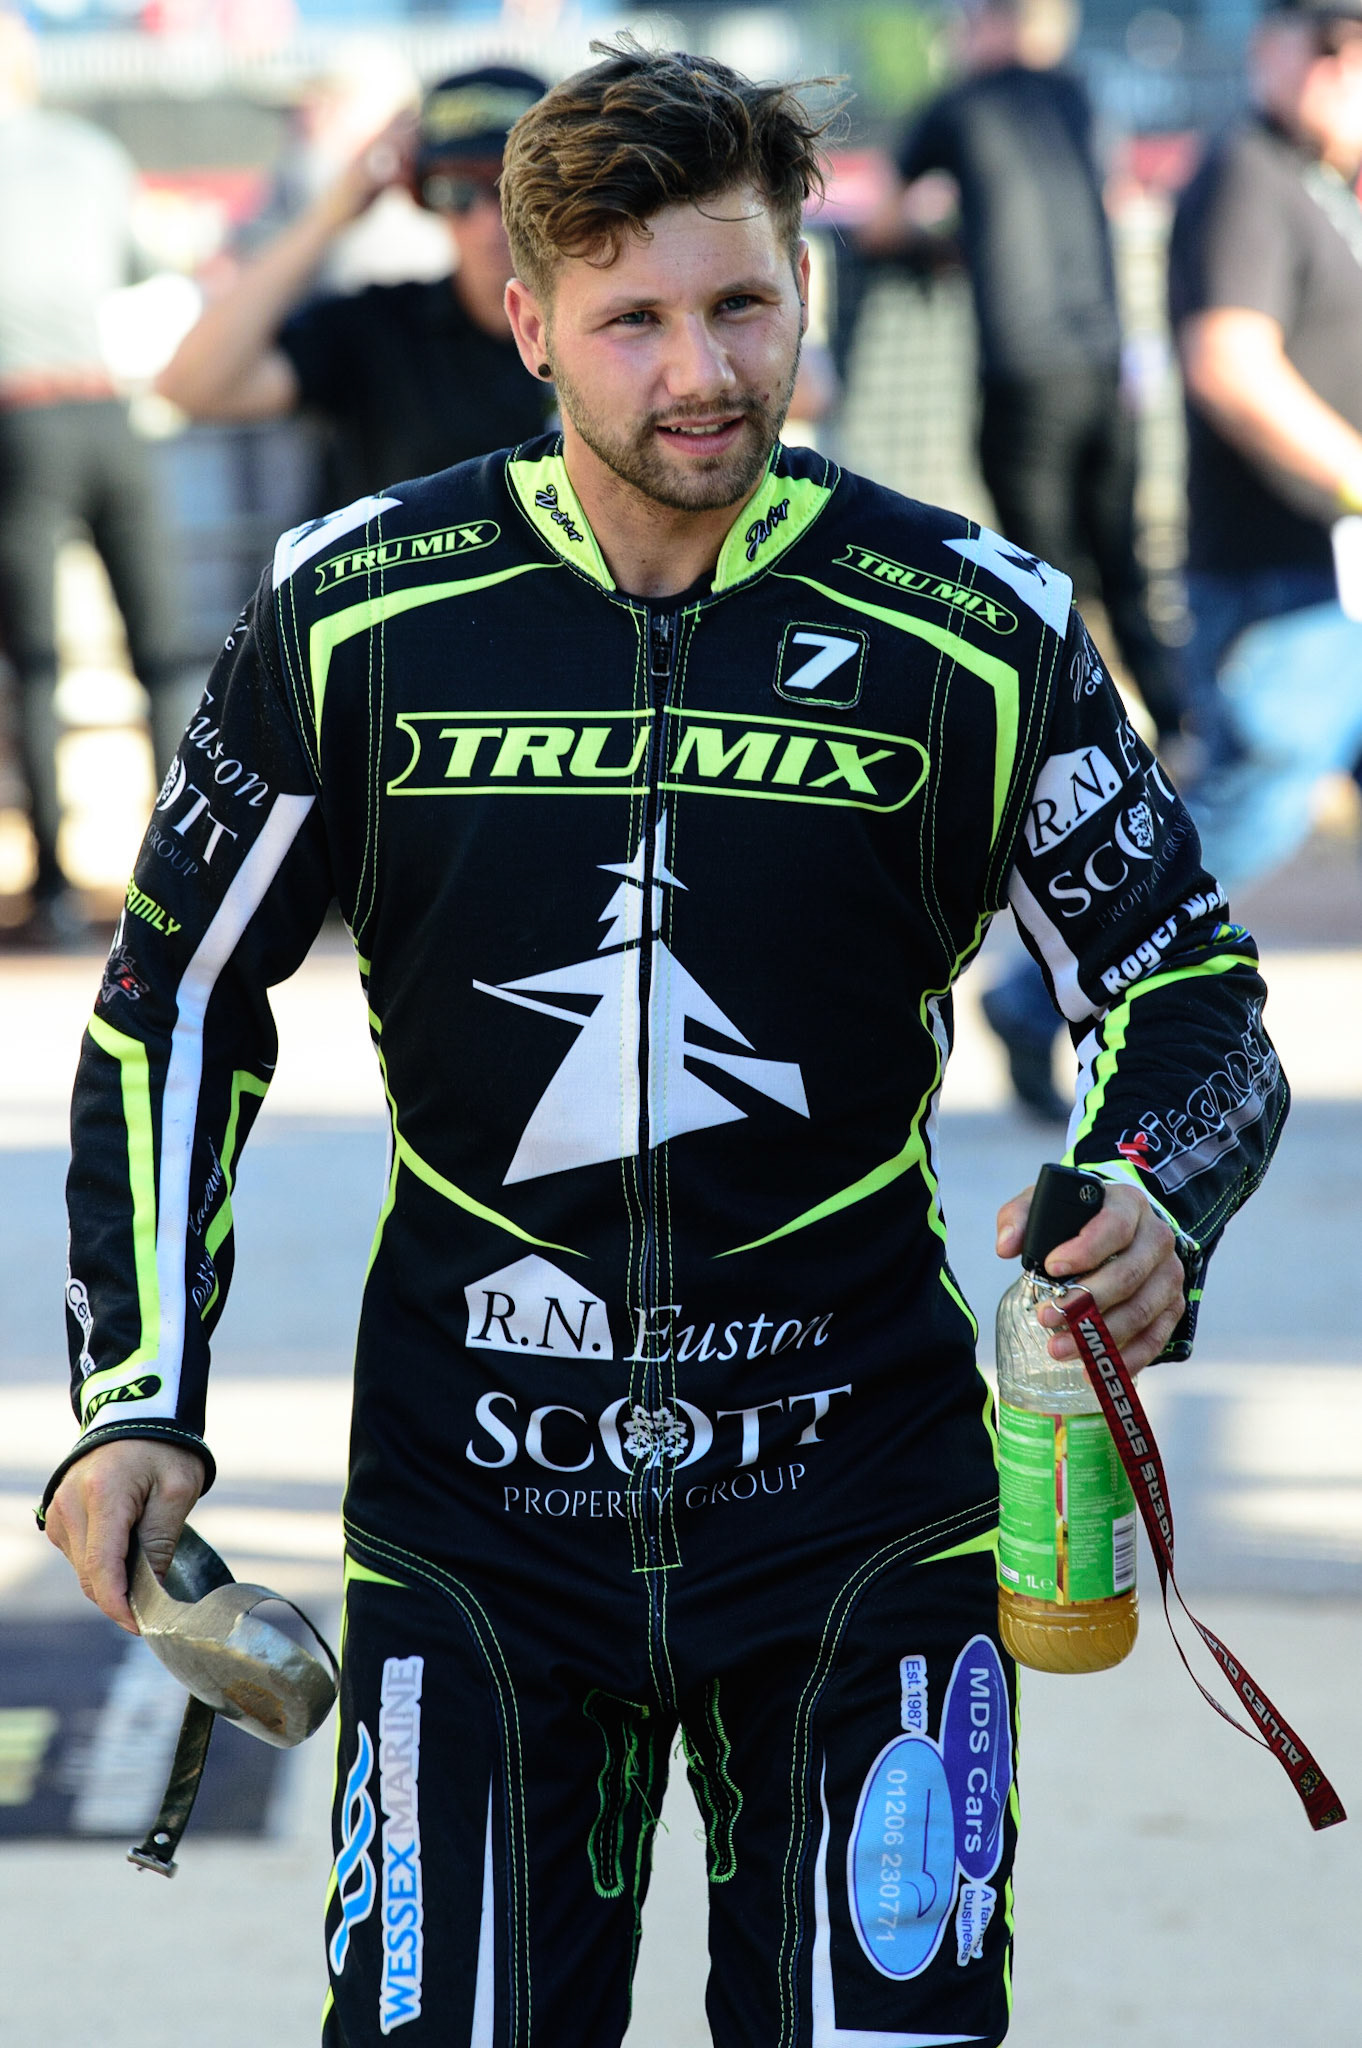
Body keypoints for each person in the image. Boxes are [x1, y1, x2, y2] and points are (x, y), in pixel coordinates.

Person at [40, 40, 1284, 2048]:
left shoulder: (974, 624)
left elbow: (1193, 991)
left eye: (741, 301)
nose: (700, 368)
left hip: (861, 1513)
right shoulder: (356, 611)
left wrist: (1152, 1186)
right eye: (631, 317)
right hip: (472, 1517)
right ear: (527, 319)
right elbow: (177, 992)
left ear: (805, 287)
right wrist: (137, 1384)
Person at [863, 0, 1185, 1117]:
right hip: (1106, 366)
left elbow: (888, 224)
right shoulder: (1073, 94)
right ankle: (1167, 724)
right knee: (1125, 576)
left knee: (1043, 604)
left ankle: (1066, 774)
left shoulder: (953, 102)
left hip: (1024, 372)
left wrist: (941, 241)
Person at [0, 11, 192, 945]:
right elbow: (146, 270)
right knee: (158, 648)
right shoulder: (88, 151)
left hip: (18, 421)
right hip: (105, 409)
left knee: (36, 662)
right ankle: (183, 879)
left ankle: (49, 897)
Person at [156, 65, 555, 505]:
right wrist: (334, 211)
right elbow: (189, 385)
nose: (488, 220)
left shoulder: (596, 329)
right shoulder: (382, 328)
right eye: (456, 190)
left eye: (508, 189)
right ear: (419, 192)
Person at [1169, 0, 1362, 893]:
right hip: (1279, 577)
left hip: (1331, 577)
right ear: (1269, 49)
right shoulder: (1250, 171)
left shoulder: (1326, 181)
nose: (1340, 69)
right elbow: (1228, 363)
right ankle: (1041, 990)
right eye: (1325, 45)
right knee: (1252, 808)